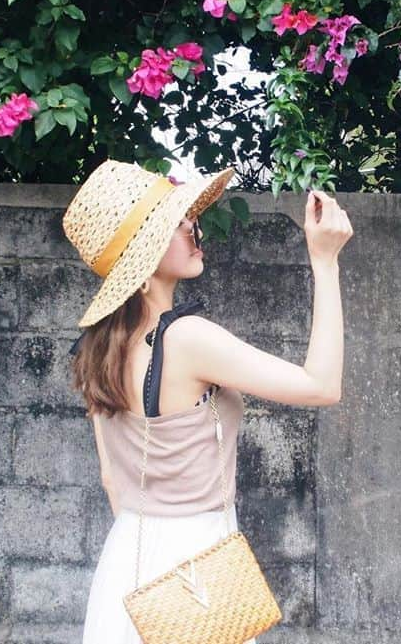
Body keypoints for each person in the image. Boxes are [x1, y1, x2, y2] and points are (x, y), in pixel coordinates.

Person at [61, 159, 352, 644]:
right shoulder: (185, 339)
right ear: (145, 254)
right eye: (176, 224)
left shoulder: (97, 349)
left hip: (126, 569)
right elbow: (322, 385)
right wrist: (325, 262)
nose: (193, 228)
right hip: (195, 574)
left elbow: (114, 478)